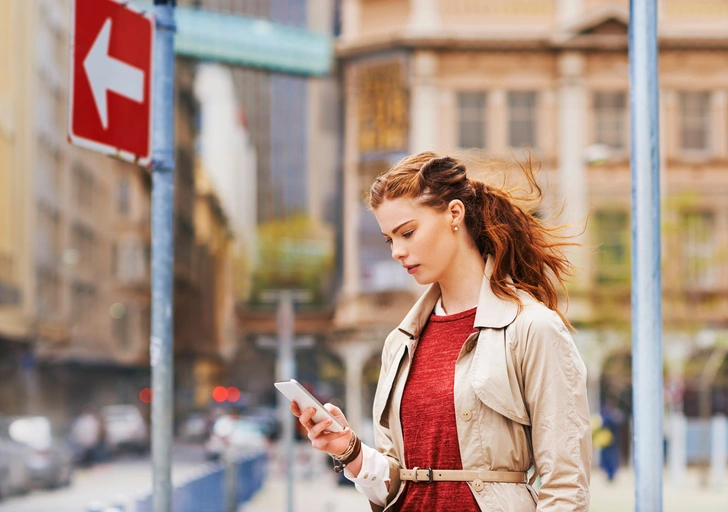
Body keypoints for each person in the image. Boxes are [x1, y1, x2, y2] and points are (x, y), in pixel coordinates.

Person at [290, 152, 592, 511]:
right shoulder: (399, 343)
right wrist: (348, 450)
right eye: (389, 240)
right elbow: (399, 482)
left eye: (408, 232)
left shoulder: (532, 328)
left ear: (454, 214)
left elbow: (566, 485)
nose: (397, 252)